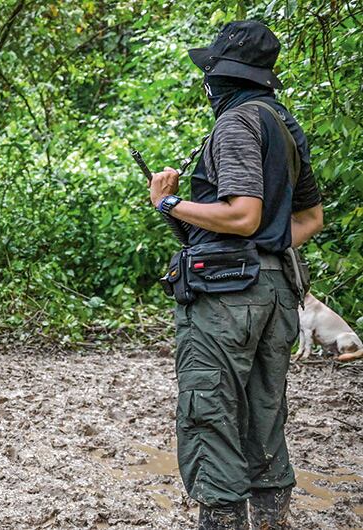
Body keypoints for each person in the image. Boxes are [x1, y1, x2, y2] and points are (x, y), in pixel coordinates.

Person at [146, 21, 323, 529]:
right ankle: (271, 520)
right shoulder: (284, 124)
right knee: (264, 414)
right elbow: (310, 219)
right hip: (276, 292)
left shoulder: (235, 123)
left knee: (211, 414)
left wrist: (170, 203)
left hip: (227, 300)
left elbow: (243, 213)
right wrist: (264, 247)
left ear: (222, 77)